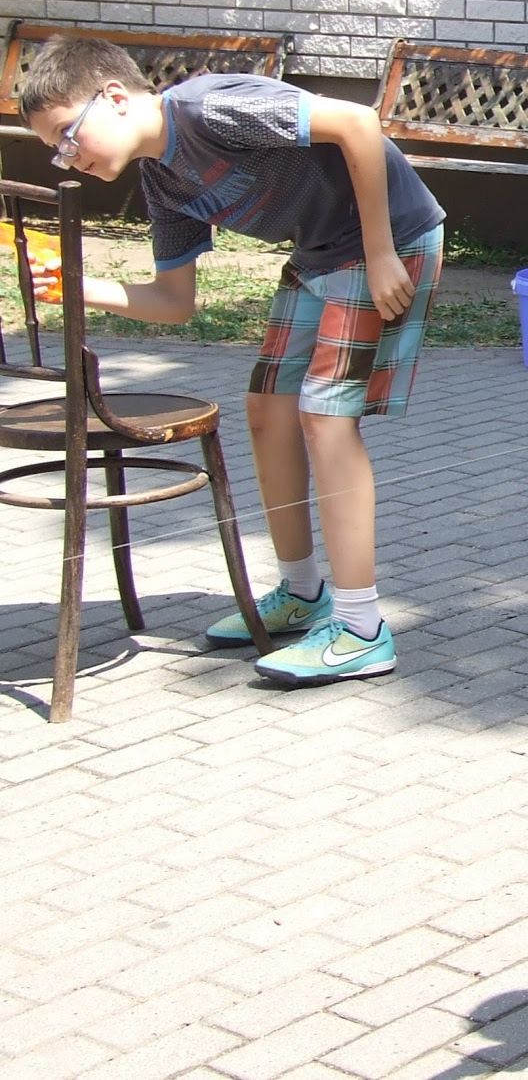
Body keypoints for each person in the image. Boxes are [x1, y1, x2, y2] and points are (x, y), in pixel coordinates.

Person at [20, 36, 446, 688]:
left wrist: (381, 250)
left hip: (390, 240)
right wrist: (74, 284)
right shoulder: (164, 182)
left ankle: (362, 629)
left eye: (66, 134)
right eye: (56, 147)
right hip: (321, 253)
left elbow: (358, 123)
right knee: (267, 410)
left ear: (114, 98)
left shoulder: (208, 109)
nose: (67, 156)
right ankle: (303, 592)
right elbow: (174, 302)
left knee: (326, 418)